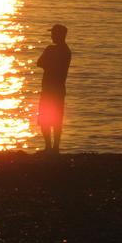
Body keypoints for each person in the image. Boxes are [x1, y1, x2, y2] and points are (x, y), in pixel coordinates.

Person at [37, 23, 72, 154]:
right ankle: (53, 148)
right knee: (54, 119)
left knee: (48, 119)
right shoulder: (66, 51)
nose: (51, 36)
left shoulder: (52, 50)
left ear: (60, 35)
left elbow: (41, 63)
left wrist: (48, 62)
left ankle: (50, 148)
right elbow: (40, 63)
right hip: (57, 90)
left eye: (53, 33)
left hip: (51, 89)